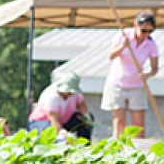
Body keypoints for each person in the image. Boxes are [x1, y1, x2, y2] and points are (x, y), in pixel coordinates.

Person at [101, 11, 159, 139]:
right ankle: (119, 152)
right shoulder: (123, 36)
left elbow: (155, 68)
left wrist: (147, 74)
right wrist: (122, 46)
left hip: (137, 86)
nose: (146, 34)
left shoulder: (151, 44)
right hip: (117, 84)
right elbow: (111, 56)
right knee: (119, 124)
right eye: (144, 30)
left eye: (150, 31)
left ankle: (137, 153)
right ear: (135, 25)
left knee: (138, 126)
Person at [29, 72, 93, 140]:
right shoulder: (51, 96)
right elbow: (53, 119)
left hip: (63, 121)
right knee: (53, 135)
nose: (69, 94)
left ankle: (84, 145)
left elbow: (81, 105)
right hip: (43, 121)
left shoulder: (75, 93)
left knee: (85, 120)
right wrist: (63, 133)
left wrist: (87, 118)